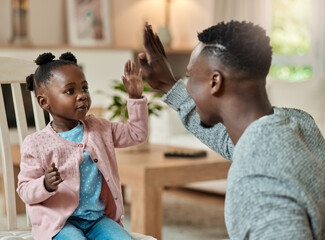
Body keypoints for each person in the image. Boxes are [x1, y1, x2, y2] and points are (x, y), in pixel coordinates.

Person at [138, 21, 325, 239]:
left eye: (190, 77)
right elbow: (231, 140)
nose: (188, 85)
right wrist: (168, 85)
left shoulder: (258, 177)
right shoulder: (297, 123)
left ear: (215, 82)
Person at [17, 52, 148, 240]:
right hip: (60, 224)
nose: (82, 96)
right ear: (44, 102)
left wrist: (135, 98)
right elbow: (25, 190)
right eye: (70, 91)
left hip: (98, 219)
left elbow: (137, 134)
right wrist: (44, 184)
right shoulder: (36, 144)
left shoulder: (100, 128)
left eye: (85, 88)